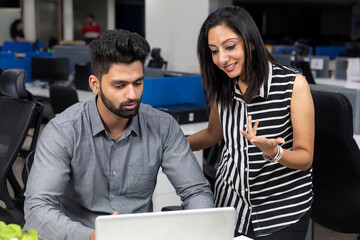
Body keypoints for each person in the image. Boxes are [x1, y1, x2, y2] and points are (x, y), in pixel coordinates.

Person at [24, 29, 214, 240]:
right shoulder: (64, 130)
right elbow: (37, 209)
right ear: (95, 84)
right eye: (120, 85)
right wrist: (93, 237)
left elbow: (197, 191)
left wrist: (197, 230)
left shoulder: (163, 126)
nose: (132, 95)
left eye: (138, 83)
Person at [187, 6, 314, 239]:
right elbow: (213, 134)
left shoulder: (293, 85)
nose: (222, 59)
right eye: (214, 51)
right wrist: (171, 144)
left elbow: (305, 158)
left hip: (279, 211)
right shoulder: (224, 84)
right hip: (230, 205)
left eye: (230, 46)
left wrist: (274, 152)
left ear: (251, 42)